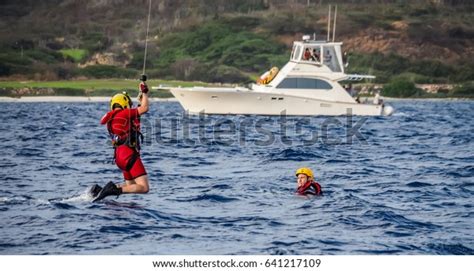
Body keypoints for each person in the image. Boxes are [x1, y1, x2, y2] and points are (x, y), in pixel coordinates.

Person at [91, 77, 151, 202]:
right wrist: (144, 92)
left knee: (130, 186)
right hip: (129, 155)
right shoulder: (124, 114)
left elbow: (134, 121)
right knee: (144, 187)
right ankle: (114, 189)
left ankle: (99, 191)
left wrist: (141, 98)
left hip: (119, 157)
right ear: (124, 104)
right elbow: (145, 108)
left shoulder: (112, 119)